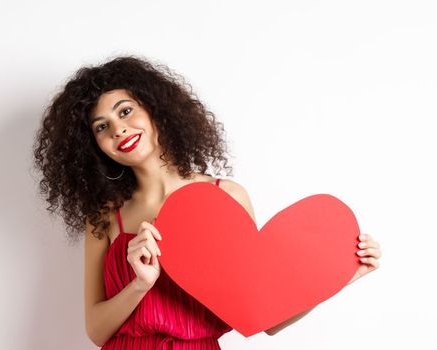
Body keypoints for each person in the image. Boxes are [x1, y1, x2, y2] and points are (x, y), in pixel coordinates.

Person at [33, 55, 382, 349]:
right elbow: (96, 330)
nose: (118, 131)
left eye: (125, 111)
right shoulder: (106, 216)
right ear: (93, 145)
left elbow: (264, 320)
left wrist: (337, 277)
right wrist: (139, 284)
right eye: (101, 127)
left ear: (155, 109)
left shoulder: (225, 197)